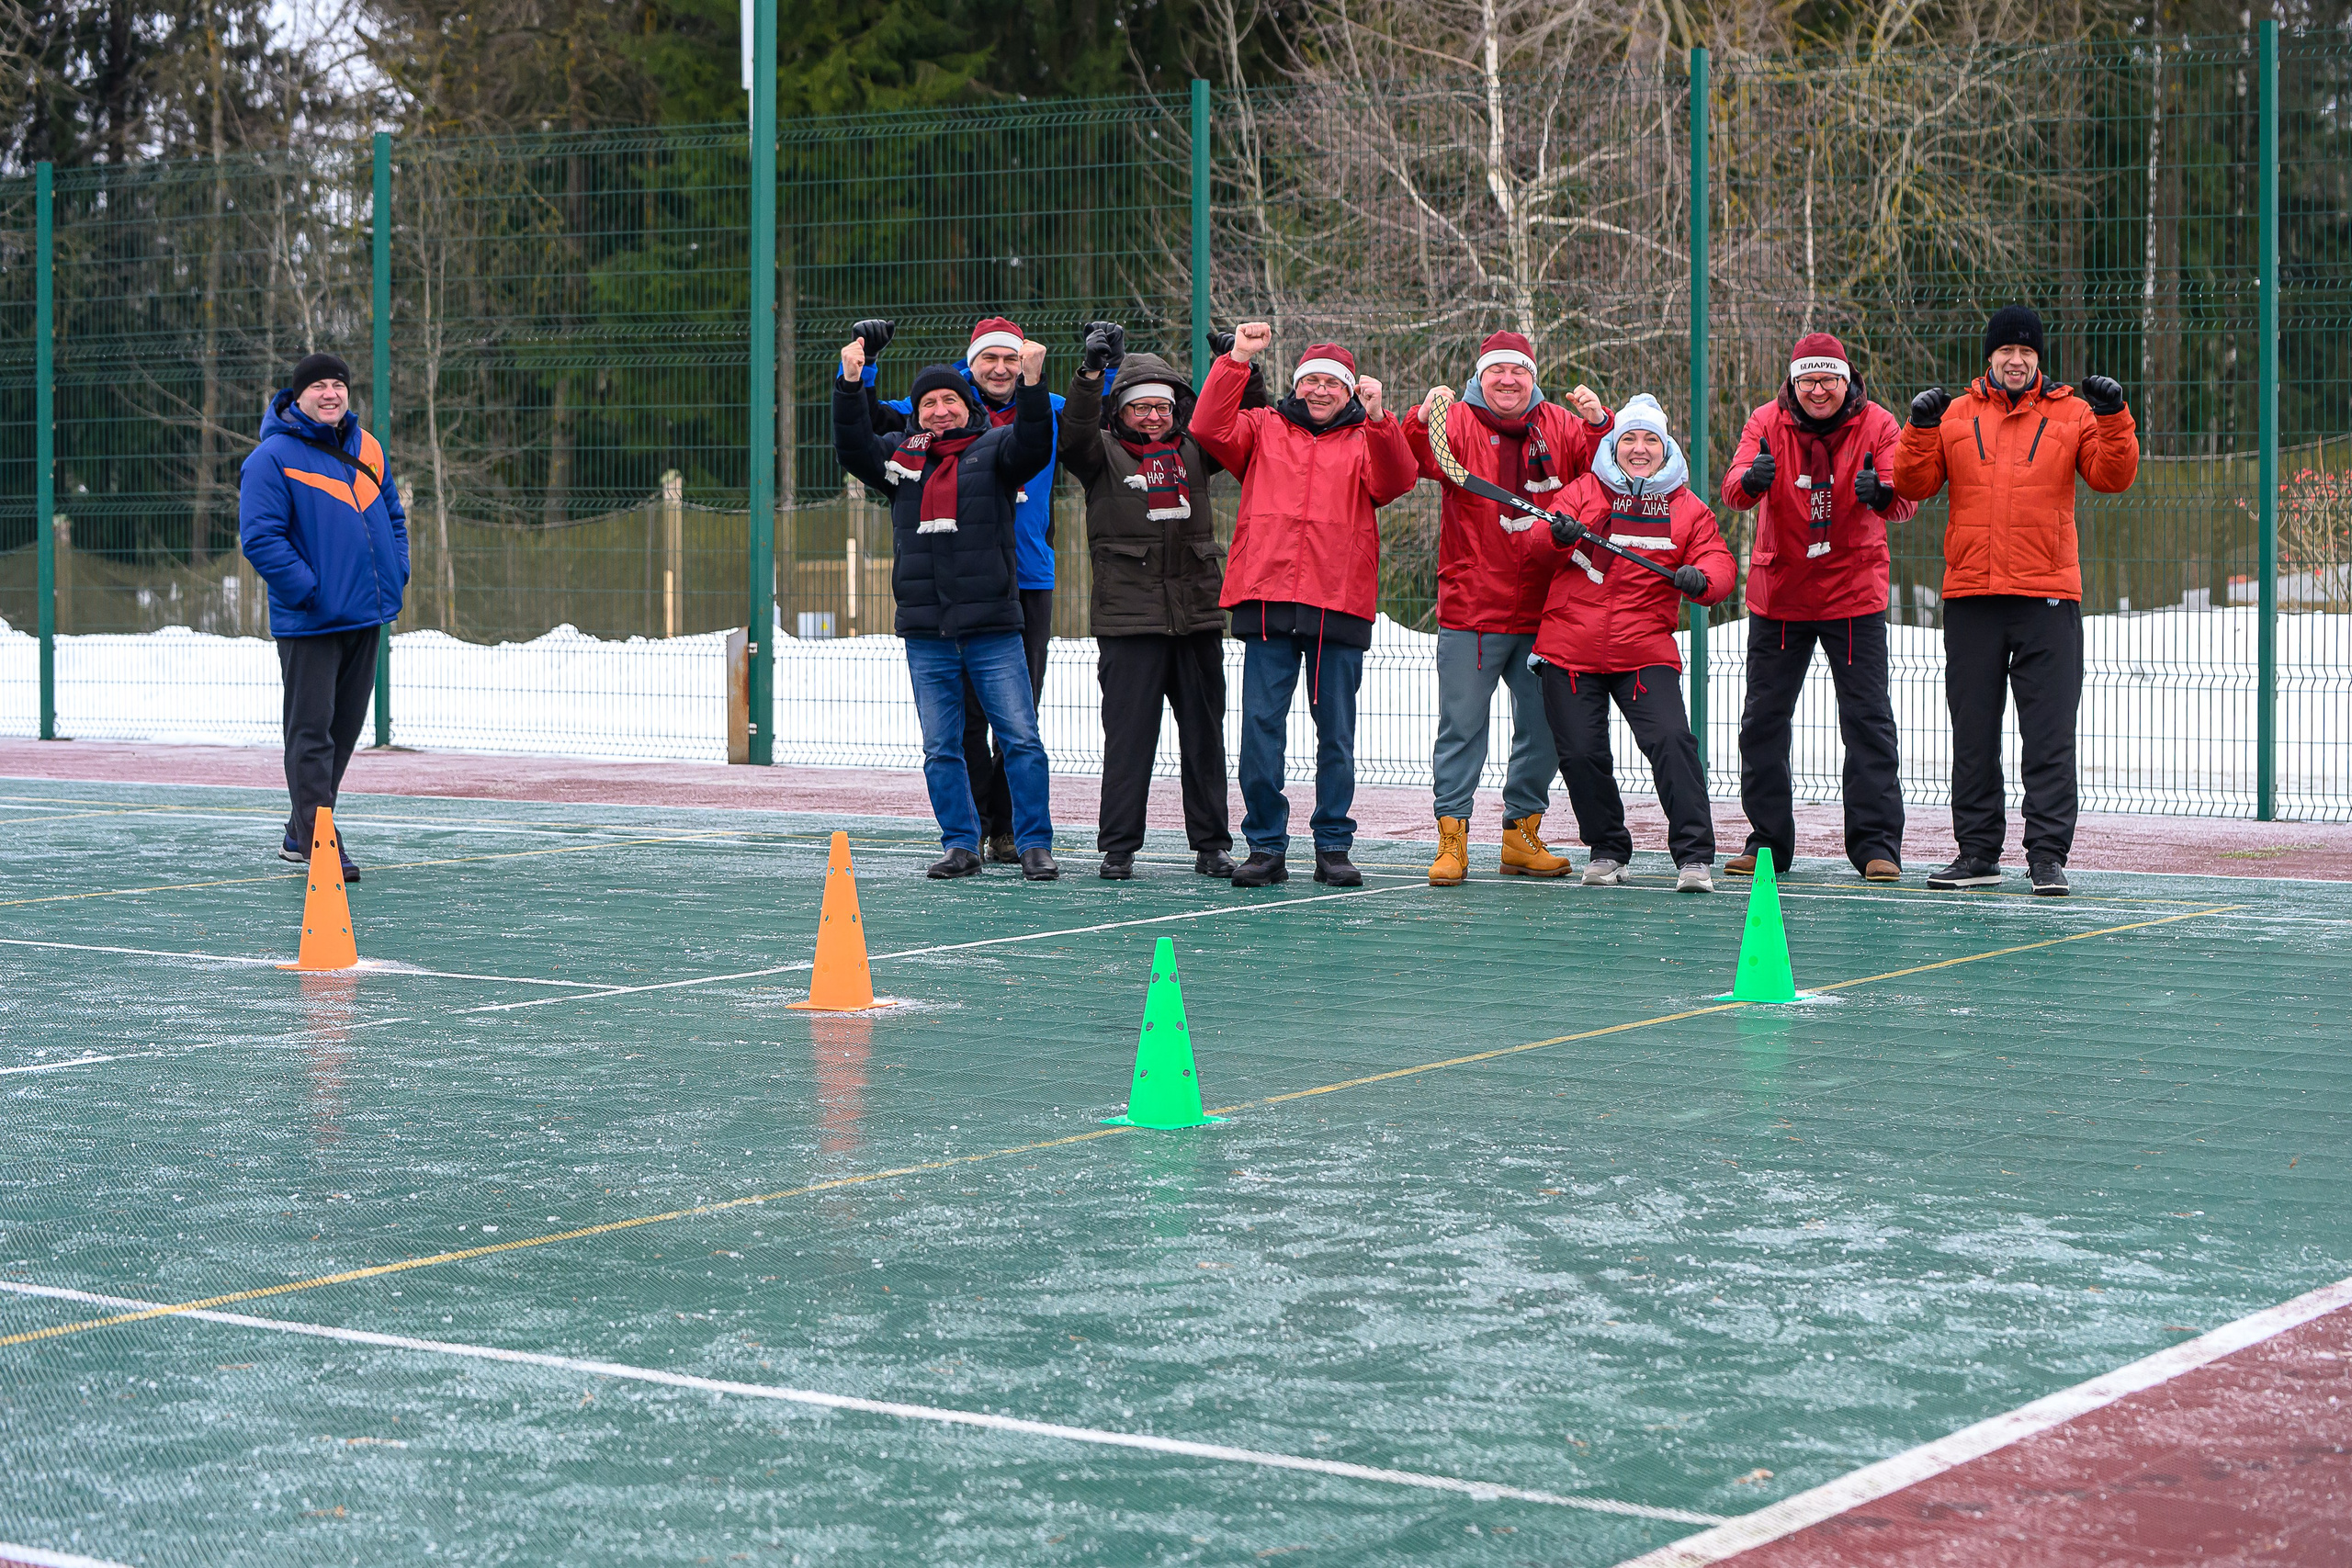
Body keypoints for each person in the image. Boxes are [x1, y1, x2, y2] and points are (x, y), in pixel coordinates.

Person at [1892, 304, 2140, 896]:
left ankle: (2047, 856)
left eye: (2027, 351)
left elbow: (2113, 476)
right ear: (1991, 356)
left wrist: (2114, 418)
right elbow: (1911, 484)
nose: (2016, 360)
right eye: (2007, 350)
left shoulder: (2073, 414)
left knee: (2049, 736)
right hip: (1972, 596)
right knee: (1973, 735)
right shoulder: (1956, 414)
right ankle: (1977, 854)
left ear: (2038, 359)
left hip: (2047, 597)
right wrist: (1919, 429)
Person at [1190, 323, 1419, 888]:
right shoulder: (1262, 426)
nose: (1320, 390)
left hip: (1337, 605)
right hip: (1266, 600)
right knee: (1260, 731)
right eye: (1311, 381)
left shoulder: (1366, 436)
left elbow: (1398, 479)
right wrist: (1237, 359)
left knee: (1335, 735)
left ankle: (1333, 846)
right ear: (1296, 385)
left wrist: (1380, 418)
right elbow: (1207, 426)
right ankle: (1265, 846)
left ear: (1348, 390)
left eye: (1332, 384)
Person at [832, 332, 1060, 879]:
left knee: (1021, 739)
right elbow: (853, 445)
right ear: (916, 414)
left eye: (950, 400)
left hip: (993, 628)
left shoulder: (996, 450)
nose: (939, 410)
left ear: (967, 407)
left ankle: (1034, 843)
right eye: (929, 403)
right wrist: (850, 382)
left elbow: (1034, 445)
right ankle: (961, 843)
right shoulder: (901, 461)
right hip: (926, 631)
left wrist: (1032, 384)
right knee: (941, 746)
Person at [1402, 330, 1613, 886]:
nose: (1508, 380)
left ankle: (1521, 833)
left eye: (1519, 370)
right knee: (1461, 728)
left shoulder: (1561, 425)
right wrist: (1419, 419)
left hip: (1548, 610)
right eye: (1497, 370)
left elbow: (1609, 474)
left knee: (1543, 729)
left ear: (1532, 377)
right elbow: (1412, 461)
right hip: (1472, 609)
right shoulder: (1455, 420)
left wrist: (1599, 424)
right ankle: (1452, 837)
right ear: (1480, 375)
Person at [1720, 331, 1918, 883]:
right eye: (1807, 381)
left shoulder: (1878, 423)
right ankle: (1767, 842)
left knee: (1867, 720)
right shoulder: (1765, 421)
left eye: (1828, 379)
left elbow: (1906, 497)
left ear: (1846, 380)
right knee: (1763, 721)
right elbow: (1733, 489)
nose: (1818, 390)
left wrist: (1882, 492)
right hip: (1780, 594)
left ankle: (1877, 845)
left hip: (1852, 593)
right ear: (1793, 383)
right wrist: (1752, 480)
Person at [1535, 394, 1736, 891]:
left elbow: (1719, 561)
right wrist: (1558, 535)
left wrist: (1702, 578)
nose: (1639, 448)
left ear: (1666, 448)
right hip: (1569, 649)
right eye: (1629, 439)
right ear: (1613, 445)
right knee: (1580, 754)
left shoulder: (1687, 507)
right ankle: (1607, 850)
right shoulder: (1583, 491)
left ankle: (1694, 858)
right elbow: (1536, 546)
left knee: (1672, 742)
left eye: (1650, 440)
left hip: (1645, 650)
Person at [1060, 326, 1239, 881]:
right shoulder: (1101, 454)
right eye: (1141, 407)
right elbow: (1074, 435)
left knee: (1205, 740)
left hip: (1197, 618)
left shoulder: (1196, 452)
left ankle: (1211, 845)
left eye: (1163, 406)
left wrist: (1238, 368)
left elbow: (1240, 425)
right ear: (1121, 412)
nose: (1155, 416)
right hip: (1129, 623)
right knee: (1129, 742)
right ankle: (1118, 848)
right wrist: (1090, 376)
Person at [238, 352, 409, 881]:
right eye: (319, 386)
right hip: (310, 621)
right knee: (311, 734)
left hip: (366, 614)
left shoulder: (369, 448)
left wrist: (397, 570)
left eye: (338, 384)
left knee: (342, 732)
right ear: (298, 396)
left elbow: (394, 517)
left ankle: (300, 831)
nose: (330, 393)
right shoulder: (270, 458)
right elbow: (260, 539)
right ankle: (320, 841)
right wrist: (310, 592)